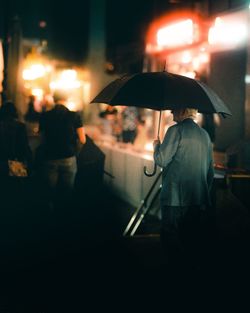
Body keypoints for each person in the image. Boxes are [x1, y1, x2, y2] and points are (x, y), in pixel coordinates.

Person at [153, 107, 214, 275]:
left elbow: (162, 160)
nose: (172, 113)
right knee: (190, 240)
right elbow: (210, 173)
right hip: (197, 198)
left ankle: (174, 275)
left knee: (170, 238)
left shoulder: (174, 131)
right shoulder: (205, 135)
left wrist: (157, 146)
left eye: (174, 110)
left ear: (182, 111)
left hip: (174, 197)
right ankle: (188, 277)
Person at [38, 91, 86, 211]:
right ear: (67, 99)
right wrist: (75, 152)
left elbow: (42, 139)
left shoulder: (45, 116)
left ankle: (49, 215)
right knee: (66, 192)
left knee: (49, 191)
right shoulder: (74, 116)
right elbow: (83, 140)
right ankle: (64, 215)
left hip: (49, 157)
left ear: (53, 100)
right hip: (68, 157)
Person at [0, 101, 33, 208]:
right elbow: (24, 147)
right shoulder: (20, 126)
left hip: (1, 162)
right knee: (16, 192)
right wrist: (30, 162)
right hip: (16, 163)